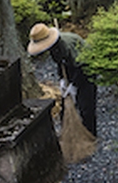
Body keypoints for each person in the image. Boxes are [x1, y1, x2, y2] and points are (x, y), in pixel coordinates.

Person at [28, 22, 96, 160]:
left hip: (87, 69)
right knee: (66, 107)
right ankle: (69, 135)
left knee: (86, 106)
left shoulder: (67, 44)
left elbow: (81, 66)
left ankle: (90, 138)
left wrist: (74, 85)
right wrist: (63, 81)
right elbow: (61, 64)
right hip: (72, 69)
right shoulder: (53, 48)